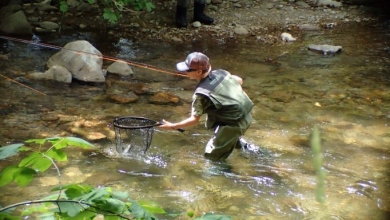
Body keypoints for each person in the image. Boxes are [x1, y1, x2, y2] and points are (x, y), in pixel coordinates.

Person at [159, 52, 254, 160]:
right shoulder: (221, 72)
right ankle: (253, 151)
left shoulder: (201, 94)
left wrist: (173, 126)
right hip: (246, 117)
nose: (185, 72)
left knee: (212, 158)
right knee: (228, 137)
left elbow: (194, 120)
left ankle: (222, 175)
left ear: (199, 71)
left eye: (188, 70)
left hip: (233, 124)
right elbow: (239, 80)